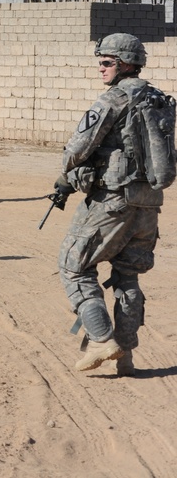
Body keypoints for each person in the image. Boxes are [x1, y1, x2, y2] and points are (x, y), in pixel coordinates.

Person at [55, 33, 168, 376]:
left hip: (113, 201)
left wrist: (68, 175)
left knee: (74, 266)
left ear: (126, 64)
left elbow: (77, 148)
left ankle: (103, 341)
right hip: (148, 205)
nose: (101, 69)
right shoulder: (159, 100)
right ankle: (127, 357)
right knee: (128, 276)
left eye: (106, 62)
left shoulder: (114, 99)